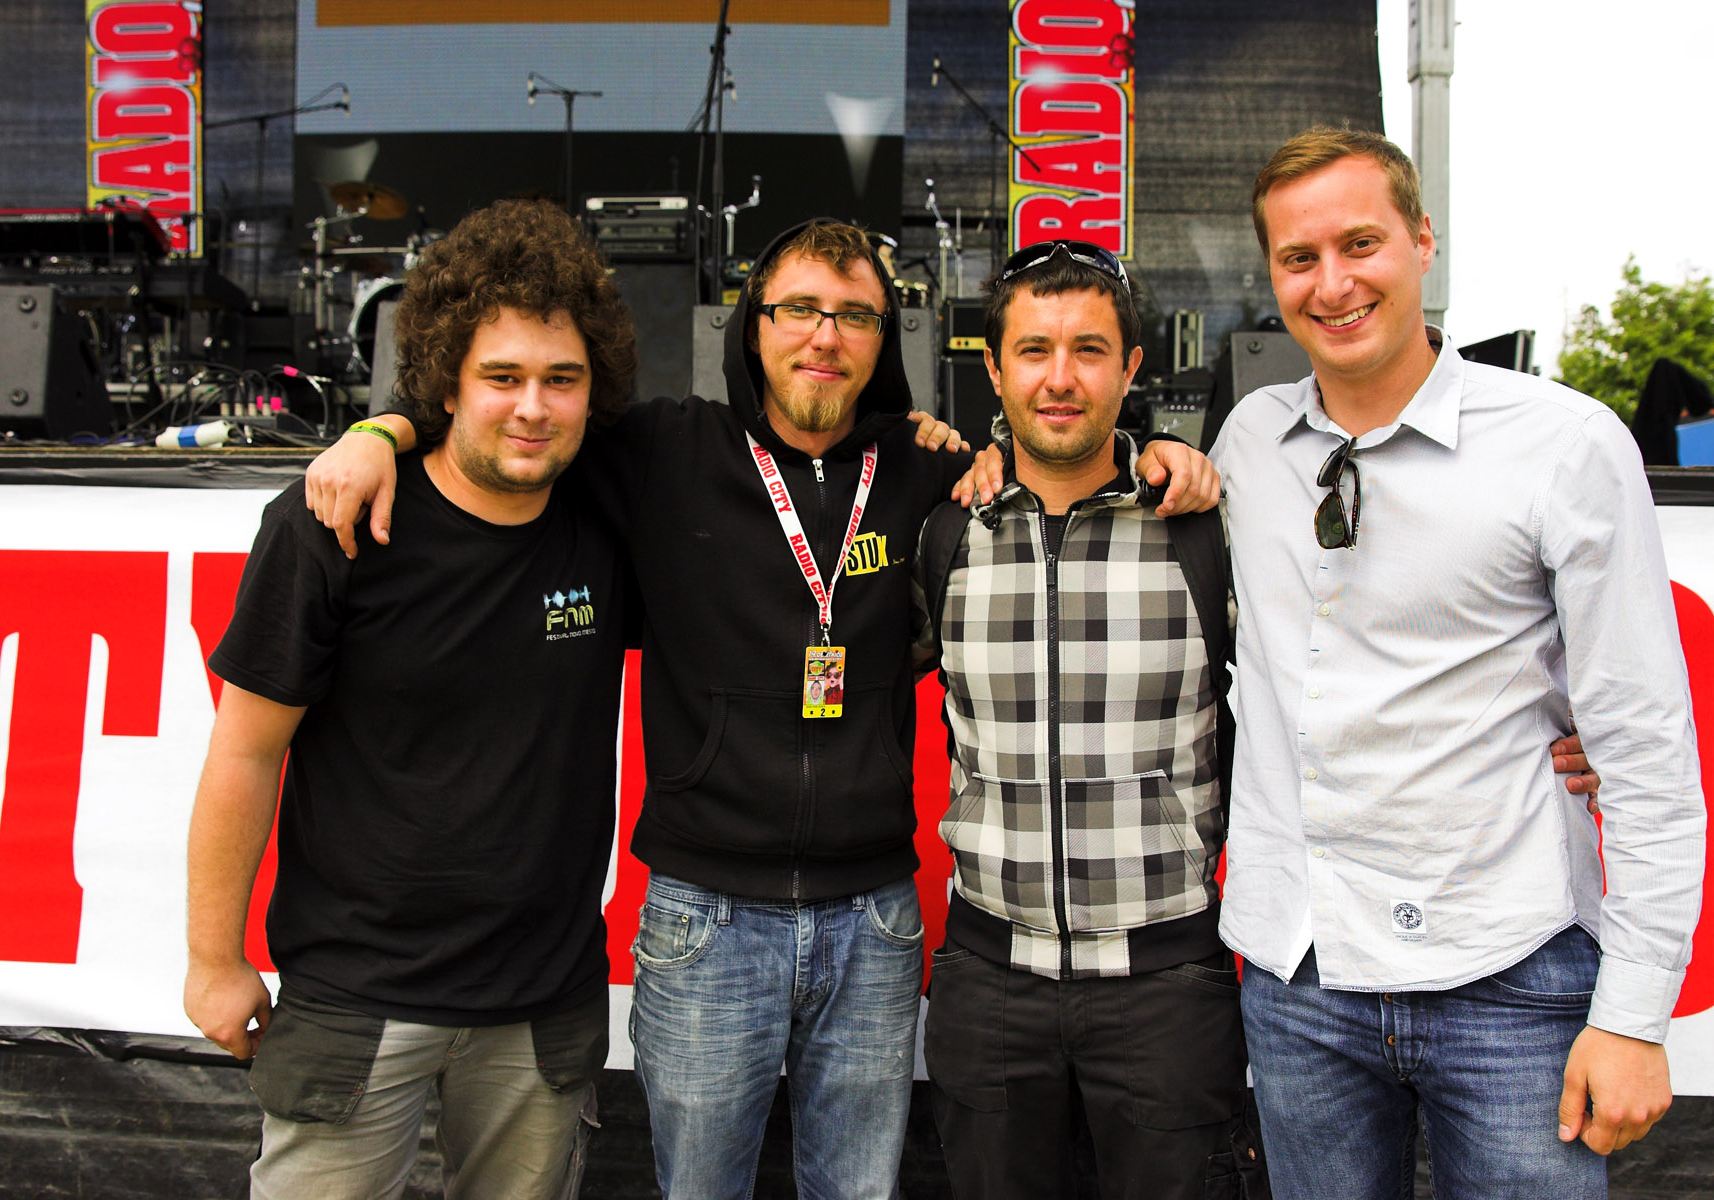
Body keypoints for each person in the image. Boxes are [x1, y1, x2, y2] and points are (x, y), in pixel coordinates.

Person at [300, 217, 1220, 1199]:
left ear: (884, 339)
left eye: (855, 315)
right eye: (799, 309)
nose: (826, 335)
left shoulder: (929, 475)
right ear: (752, 325)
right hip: (706, 920)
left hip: (873, 921)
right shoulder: (662, 449)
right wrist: (381, 430)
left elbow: (1055, 452)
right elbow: (523, 418)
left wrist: (1158, 447)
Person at [1211, 128, 1703, 1198]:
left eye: (1361, 244)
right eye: (1299, 258)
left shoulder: (1565, 444)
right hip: (1300, 977)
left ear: (1423, 241)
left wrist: (1634, 1015)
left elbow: (1646, 748)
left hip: (1512, 979)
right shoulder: (1247, 441)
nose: (1333, 284)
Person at [183, 198, 636, 1200]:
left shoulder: (609, 515)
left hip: (542, 1001)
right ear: (445, 381)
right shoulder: (329, 525)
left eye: (561, 379)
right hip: (354, 994)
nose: (533, 407)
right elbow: (245, 752)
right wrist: (213, 960)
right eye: (501, 377)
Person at [912, 240, 1262, 1199]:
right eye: (1033, 350)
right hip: (989, 979)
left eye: (1089, 350)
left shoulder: (1206, 527)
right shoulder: (947, 531)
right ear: (993, 368)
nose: (1059, 378)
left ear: (1132, 366)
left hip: (1167, 984)